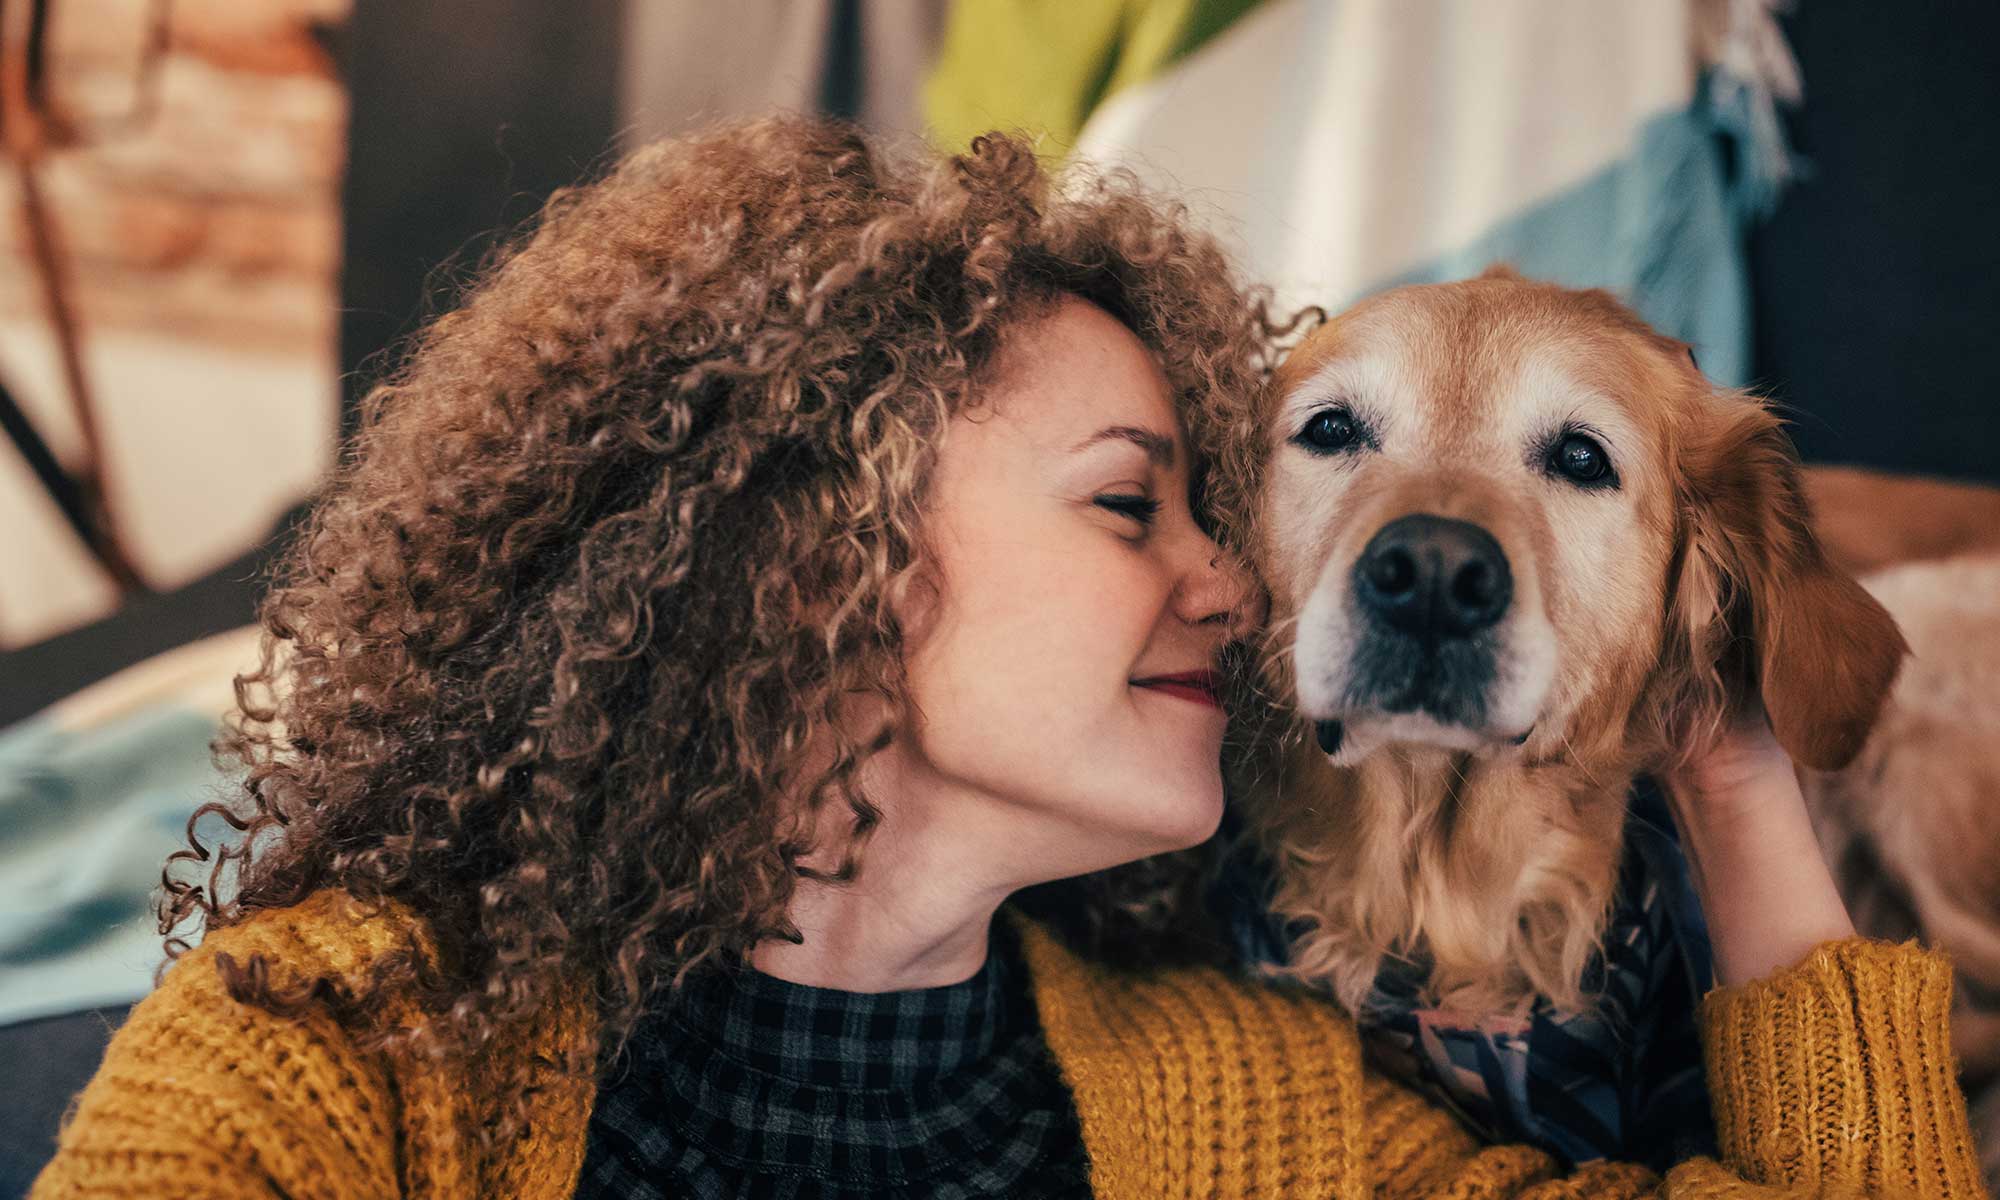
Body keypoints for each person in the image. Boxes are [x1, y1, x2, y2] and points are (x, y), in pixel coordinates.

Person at [31, 117, 1983, 1198]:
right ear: (816, 563)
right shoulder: (347, 1057)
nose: (1237, 591)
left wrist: (1730, 771)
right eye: (1133, 507)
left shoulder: (1245, 1110)